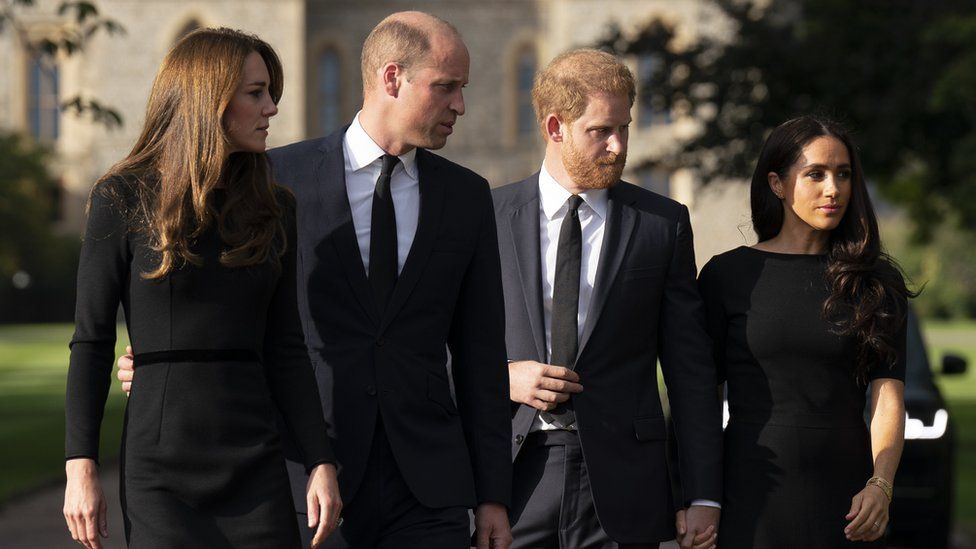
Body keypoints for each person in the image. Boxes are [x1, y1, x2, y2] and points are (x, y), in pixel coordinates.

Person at [117, 12, 513, 549]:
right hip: (306, 471)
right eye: (447, 87)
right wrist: (167, 358)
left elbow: (480, 355)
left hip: (429, 484)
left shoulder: (467, 197)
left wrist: (492, 495)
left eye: (462, 90)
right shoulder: (276, 179)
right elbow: (221, 305)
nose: (460, 106)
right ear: (392, 78)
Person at [63, 28, 340, 549]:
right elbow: (92, 341)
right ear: (209, 98)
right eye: (256, 92)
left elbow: (286, 348)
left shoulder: (276, 208)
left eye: (270, 92)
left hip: (256, 460)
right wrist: (81, 466)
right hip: (159, 469)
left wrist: (319, 461)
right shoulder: (120, 197)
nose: (272, 108)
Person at [492, 49, 723, 549]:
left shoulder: (663, 224)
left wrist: (703, 492)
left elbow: (690, 368)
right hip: (510, 477)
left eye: (625, 127)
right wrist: (500, 376)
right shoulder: (487, 217)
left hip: (626, 483)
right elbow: (435, 341)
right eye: (601, 131)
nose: (619, 147)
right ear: (556, 127)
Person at [698, 115, 910, 548]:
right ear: (777, 183)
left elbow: (887, 395)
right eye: (816, 174)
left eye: (843, 174)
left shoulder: (875, 282)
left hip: (849, 500)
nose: (834, 189)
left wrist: (881, 484)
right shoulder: (727, 275)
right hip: (750, 493)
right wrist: (696, 495)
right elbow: (698, 397)